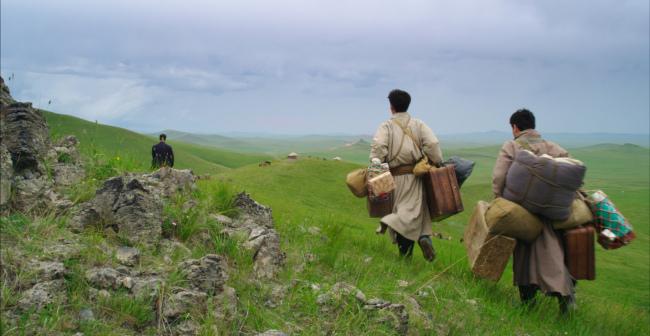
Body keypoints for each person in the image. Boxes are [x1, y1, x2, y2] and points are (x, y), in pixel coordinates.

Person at [492, 108, 577, 315]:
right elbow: (570, 167)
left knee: (524, 258)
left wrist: (497, 201)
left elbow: (499, 176)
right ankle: (565, 297)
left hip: (523, 214)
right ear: (533, 126)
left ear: (515, 127)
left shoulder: (511, 145)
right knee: (554, 253)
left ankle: (529, 303)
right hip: (550, 214)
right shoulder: (552, 146)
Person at [370, 89, 443, 261]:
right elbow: (432, 144)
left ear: (391, 107)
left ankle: (402, 250)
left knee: (402, 216)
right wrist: (437, 161)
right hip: (417, 178)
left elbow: (379, 148)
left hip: (394, 178)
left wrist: (376, 165)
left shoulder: (386, 126)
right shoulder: (419, 124)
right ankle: (423, 237)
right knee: (414, 213)